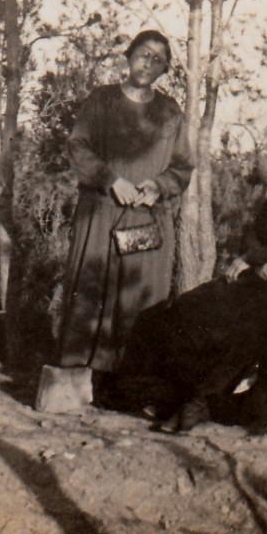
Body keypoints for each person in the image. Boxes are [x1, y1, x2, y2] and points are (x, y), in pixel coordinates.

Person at [128, 115, 267, 433]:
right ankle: (168, 392)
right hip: (264, 278)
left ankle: (202, 401)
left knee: (250, 318)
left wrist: (265, 259)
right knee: (195, 304)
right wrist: (257, 261)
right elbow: (253, 234)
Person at [50, 29, 194, 408]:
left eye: (158, 59)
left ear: (165, 69)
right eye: (143, 53)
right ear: (129, 56)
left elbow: (183, 166)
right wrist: (110, 180)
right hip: (100, 214)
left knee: (140, 300)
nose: (148, 63)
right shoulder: (101, 101)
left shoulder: (170, 113)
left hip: (146, 220)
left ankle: (129, 389)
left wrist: (158, 186)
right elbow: (77, 146)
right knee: (91, 293)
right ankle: (79, 381)